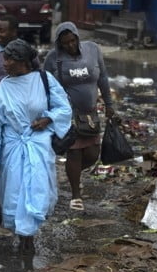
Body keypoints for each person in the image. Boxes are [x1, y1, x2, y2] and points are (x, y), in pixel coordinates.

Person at [0, 39, 72, 252]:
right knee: (14, 192)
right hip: (12, 148)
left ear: (22, 61)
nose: (5, 63)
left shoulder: (44, 80)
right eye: (4, 58)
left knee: (36, 190)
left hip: (38, 146)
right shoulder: (5, 85)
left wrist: (47, 119)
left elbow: (64, 108)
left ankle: (28, 237)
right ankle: (22, 238)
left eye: (9, 59)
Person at [43, 22, 115, 211]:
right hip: (68, 114)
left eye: (73, 41)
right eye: (65, 43)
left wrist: (109, 104)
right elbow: (44, 84)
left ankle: (73, 175)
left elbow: (103, 78)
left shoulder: (93, 50)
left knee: (92, 154)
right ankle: (76, 195)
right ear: (59, 43)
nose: (70, 46)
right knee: (74, 152)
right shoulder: (54, 58)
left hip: (91, 114)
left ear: (77, 37)